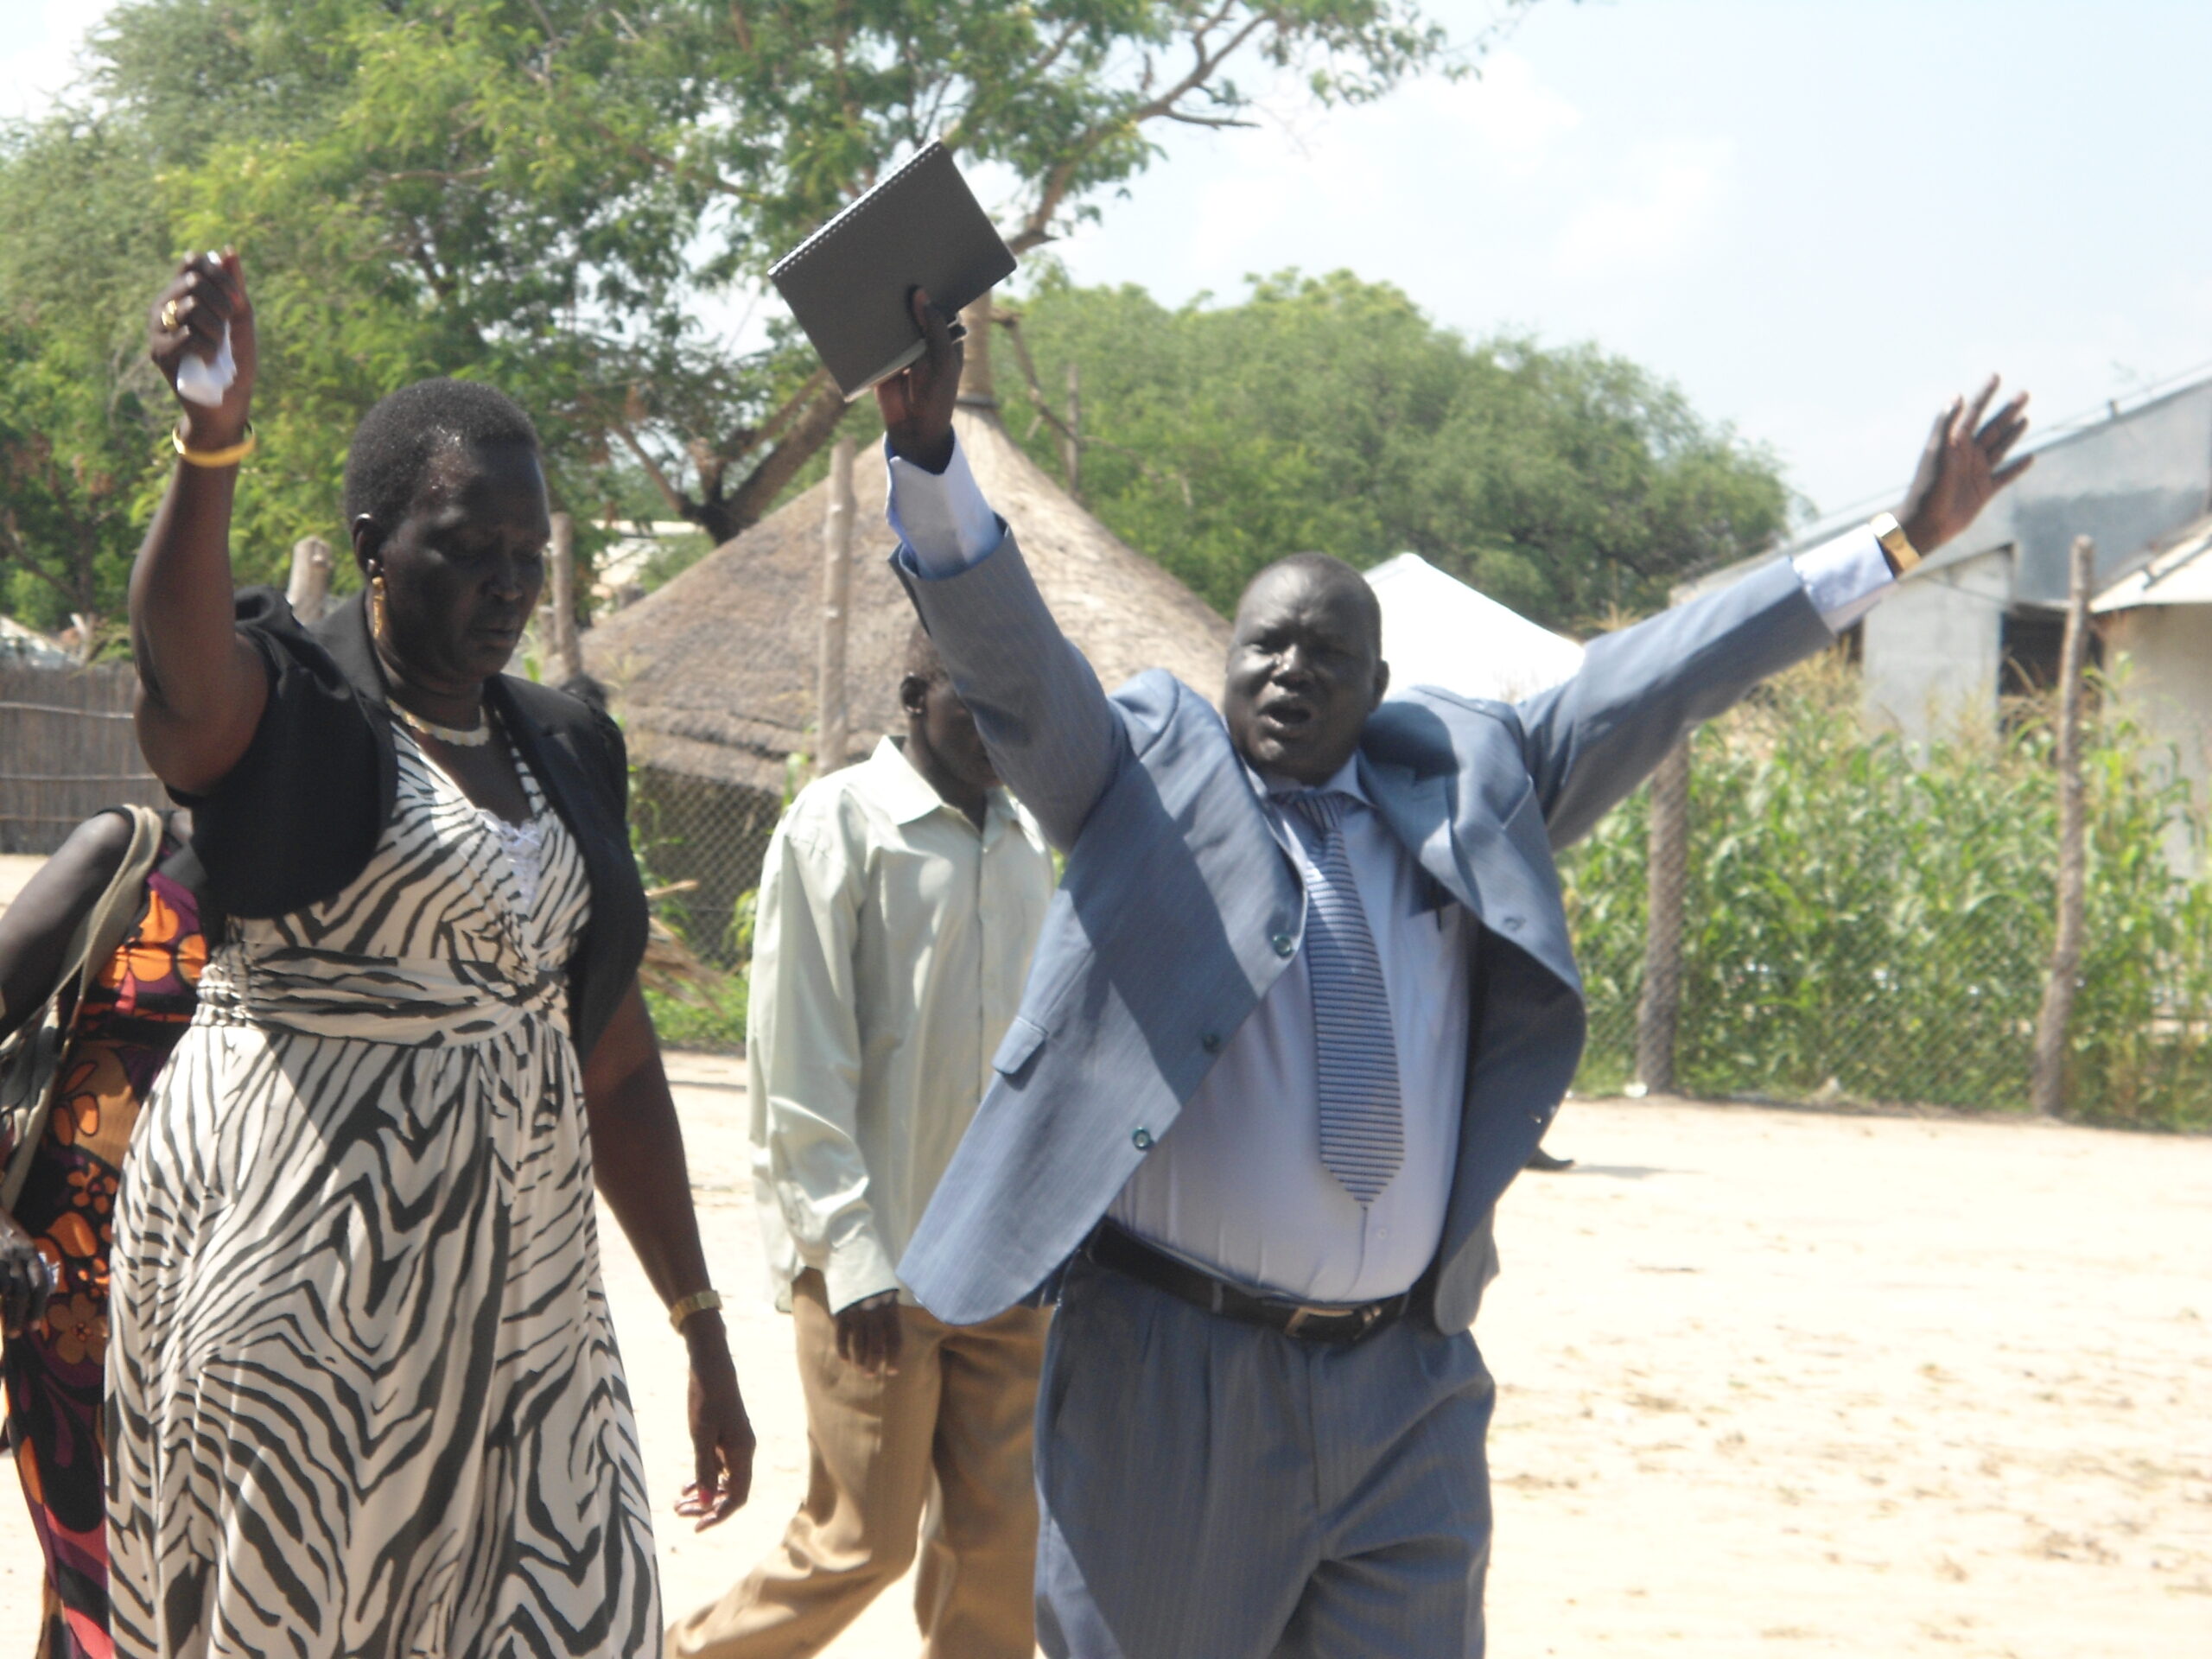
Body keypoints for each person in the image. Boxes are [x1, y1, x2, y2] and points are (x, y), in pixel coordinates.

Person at [869, 293, 2031, 1658]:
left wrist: (1896, 541)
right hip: (1176, 1384)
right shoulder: (1141, 786)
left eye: (1328, 653)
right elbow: (1016, 670)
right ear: (1224, 665)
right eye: (1266, 646)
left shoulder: (1474, 787)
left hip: (1403, 1390)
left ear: (1379, 685)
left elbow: (1661, 674)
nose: (1292, 669)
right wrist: (934, 460)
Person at [108, 250, 756, 1659]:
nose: (508, 583)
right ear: (374, 540)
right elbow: (178, 675)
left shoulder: (566, 743)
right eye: (468, 546)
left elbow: (621, 1067)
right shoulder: (296, 707)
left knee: (569, 1617)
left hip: (524, 1316)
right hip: (301, 1292)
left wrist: (699, 1321)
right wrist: (210, 441)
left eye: (527, 554)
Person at [666, 626, 1057, 1659]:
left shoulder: (1025, 842)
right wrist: (850, 1257)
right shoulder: (838, 826)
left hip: (1007, 1266)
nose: (997, 732)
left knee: (999, 1550)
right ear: (913, 694)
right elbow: (800, 1066)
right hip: (876, 1267)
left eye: (1016, 708)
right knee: (861, 1542)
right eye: (974, 702)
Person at [0, 806, 212, 1659]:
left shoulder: (320, 885)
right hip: (77, 1286)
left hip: (248, 1289)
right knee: (99, 1569)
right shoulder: (127, 854)